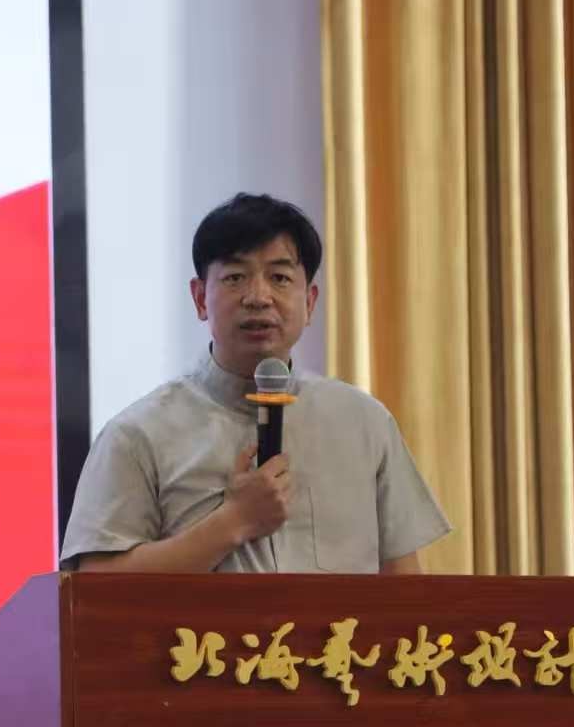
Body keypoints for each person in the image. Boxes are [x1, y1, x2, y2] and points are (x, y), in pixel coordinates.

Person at [60, 192, 449, 574]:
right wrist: (232, 523)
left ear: (310, 302)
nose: (259, 297)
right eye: (235, 278)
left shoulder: (365, 423)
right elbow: (95, 585)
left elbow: (405, 587)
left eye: (280, 278)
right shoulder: (137, 434)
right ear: (200, 299)